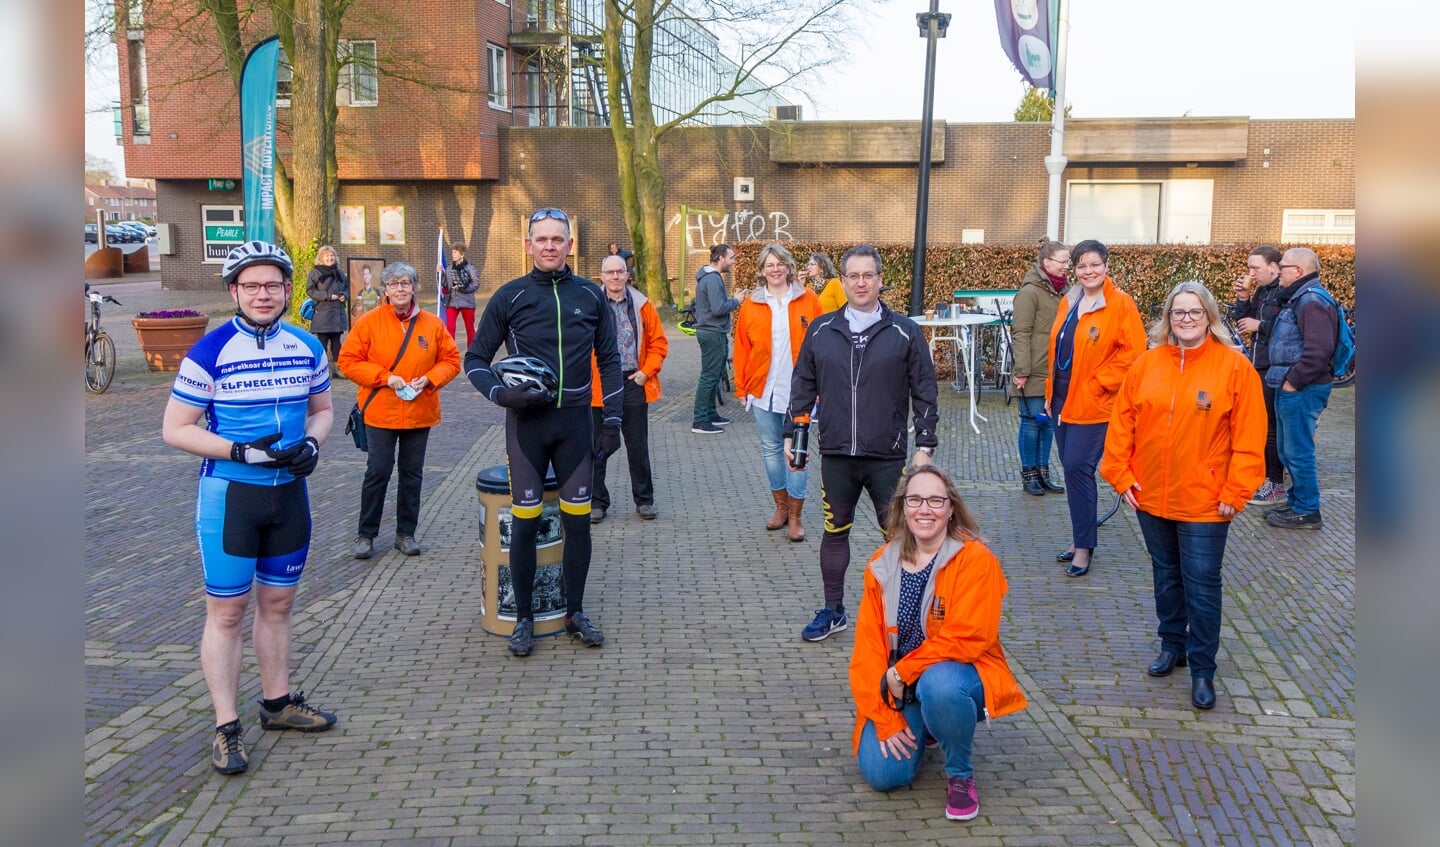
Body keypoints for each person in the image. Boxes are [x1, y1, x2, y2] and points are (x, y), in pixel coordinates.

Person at [160, 241, 336, 775]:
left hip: (289, 495)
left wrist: (312, 444)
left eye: (273, 285)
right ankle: (226, 725)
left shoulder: (307, 346)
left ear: (288, 290)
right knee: (228, 612)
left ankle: (278, 705)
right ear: (235, 291)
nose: (264, 294)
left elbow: (324, 411)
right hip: (230, 497)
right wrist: (240, 451)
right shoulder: (210, 351)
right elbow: (175, 430)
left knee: (280, 606)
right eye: (252, 286)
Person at [464, 207, 623, 657]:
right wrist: (500, 395)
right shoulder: (510, 296)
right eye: (542, 239)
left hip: (576, 425)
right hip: (527, 429)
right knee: (525, 527)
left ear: (570, 244)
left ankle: (574, 611)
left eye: (558, 238)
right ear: (529, 244)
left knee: (579, 526)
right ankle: (524, 620)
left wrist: (611, 422)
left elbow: (611, 362)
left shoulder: (590, 295)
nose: (550, 245)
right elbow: (474, 360)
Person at [1101, 281, 1266, 710]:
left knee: (1203, 584)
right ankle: (1172, 643)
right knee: (1166, 575)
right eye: (1179, 313)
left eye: (1194, 312)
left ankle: (1203, 667)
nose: (1186, 319)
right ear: (1168, 319)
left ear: (1209, 316)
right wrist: (1120, 475)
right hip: (1150, 495)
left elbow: (1251, 436)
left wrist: (1237, 488)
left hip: (1207, 501)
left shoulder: (1234, 368)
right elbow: (1122, 424)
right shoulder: (1146, 364)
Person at [848, 465, 1027, 821]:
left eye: (935, 500)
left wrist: (902, 671)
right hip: (902, 687)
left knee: (940, 685)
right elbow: (867, 649)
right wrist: (884, 718)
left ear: (950, 508)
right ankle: (928, 723)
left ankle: (959, 774)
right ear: (902, 506)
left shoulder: (976, 560)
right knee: (882, 775)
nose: (924, 509)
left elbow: (969, 637)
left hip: (960, 677)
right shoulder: (881, 564)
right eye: (915, 499)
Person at [789, 244, 938, 640]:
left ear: (879, 280)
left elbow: (924, 389)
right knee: (834, 532)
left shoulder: (904, 331)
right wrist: (796, 434)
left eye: (868, 275)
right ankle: (833, 609)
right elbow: (802, 383)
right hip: (836, 453)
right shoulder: (822, 330)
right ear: (842, 280)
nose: (860, 282)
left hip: (887, 456)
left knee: (899, 536)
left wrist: (926, 444)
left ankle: (906, 615)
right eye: (852, 275)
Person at [338, 262, 461, 560]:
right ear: (386, 290)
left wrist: (430, 378)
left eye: (406, 283)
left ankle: (406, 534)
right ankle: (366, 534)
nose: (400, 289)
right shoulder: (368, 322)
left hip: (419, 411)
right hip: (381, 412)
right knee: (378, 472)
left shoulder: (432, 324)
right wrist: (385, 377)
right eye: (394, 284)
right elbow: (348, 360)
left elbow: (452, 359)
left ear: (415, 287)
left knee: (412, 475)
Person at [1044, 239, 1146, 577]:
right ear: (1074, 269)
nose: (1088, 271)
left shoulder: (1121, 304)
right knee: (1071, 473)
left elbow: (1133, 354)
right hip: (1061, 399)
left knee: (1077, 467)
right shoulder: (1069, 300)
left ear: (1105, 266)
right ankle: (1079, 537)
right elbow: (1059, 347)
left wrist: (1098, 383)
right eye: (1082, 266)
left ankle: (1085, 547)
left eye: (1094, 264)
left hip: (1094, 403)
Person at [733, 242, 822, 542]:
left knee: (797, 453)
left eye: (780, 263)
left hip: (800, 393)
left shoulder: (809, 300)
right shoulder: (752, 304)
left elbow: (823, 346)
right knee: (771, 451)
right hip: (763, 390)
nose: (775, 268)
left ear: (789, 266)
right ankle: (781, 508)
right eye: (769, 264)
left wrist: (822, 386)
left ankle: (796, 517)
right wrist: (741, 386)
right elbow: (742, 347)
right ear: (761, 270)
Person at [1262, 247, 1338, 530]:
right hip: (1294, 386)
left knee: (1298, 451)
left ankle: (1308, 509)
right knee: (1287, 449)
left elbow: (1318, 350)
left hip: (1303, 389)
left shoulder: (1310, 302)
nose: (1278, 270)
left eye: (1283, 266)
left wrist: (1293, 382)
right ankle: (1297, 502)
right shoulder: (1300, 298)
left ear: (1299, 271)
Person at [589, 254, 668, 523]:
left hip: (633, 381)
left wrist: (646, 372)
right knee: (597, 446)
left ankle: (644, 500)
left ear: (627, 274)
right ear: (601, 276)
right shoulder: (590, 304)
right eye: (609, 272)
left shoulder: (643, 306)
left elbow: (658, 343)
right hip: (600, 385)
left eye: (619, 272)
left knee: (637, 446)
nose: (615, 277)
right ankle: (596, 502)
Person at [1228, 246, 1288, 506]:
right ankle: (1263, 477)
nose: (1250, 272)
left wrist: (1260, 325)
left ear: (1274, 267)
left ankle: (1274, 484)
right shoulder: (1262, 290)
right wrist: (1243, 298)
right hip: (1258, 363)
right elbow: (1244, 320)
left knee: (1271, 428)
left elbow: (1289, 325)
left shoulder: (1285, 291)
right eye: (1249, 267)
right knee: (1259, 424)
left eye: (1256, 268)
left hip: (1273, 367)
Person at [1010, 240, 1070, 496]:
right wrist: (1021, 370)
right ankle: (1029, 474)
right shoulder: (1030, 293)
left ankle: (1044, 472)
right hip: (1034, 369)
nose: (1068, 266)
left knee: (1047, 423)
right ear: (1047, 263)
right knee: (1032, 422)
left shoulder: (1065, 292)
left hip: (1055, 370)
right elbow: (1021, 332)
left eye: (1068, 262)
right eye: (1064, 261)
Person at [691, 243, 745, 434]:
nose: (733, 261)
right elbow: (718, 308)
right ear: (720, 258)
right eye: (731, 258)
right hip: (712, 333)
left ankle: (711, 414)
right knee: (709, 377)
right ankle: (699, 420)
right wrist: (736, 301)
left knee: (713, 376)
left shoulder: (709, 278)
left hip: (713, 332)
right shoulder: (713, 279)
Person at [305, 244, 348, 373]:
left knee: (337, 344)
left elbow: (347, 288)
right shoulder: (316, 272)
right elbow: (311, 290)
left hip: (337, 313)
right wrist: (328, 296)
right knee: (322, 343)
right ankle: (322, 370)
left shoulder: (340, 273)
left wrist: (344, 296)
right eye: (327, 256)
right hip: (323, 313)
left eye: (332, 255)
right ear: (321, 258)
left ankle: (338, 369)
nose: (330, 258)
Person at [440, 242, 481, 346]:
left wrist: (462, 288)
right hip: (452, 302)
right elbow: (445, 284)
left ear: (462, 254)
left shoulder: (469, 268)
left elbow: (476, 284)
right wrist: (439, 273)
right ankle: (450, 351)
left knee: (470, 329)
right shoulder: (449, 269)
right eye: (452, 252)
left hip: (467, 302)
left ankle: (471, 352)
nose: (453, 254)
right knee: (450, 328)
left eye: (456, 252)